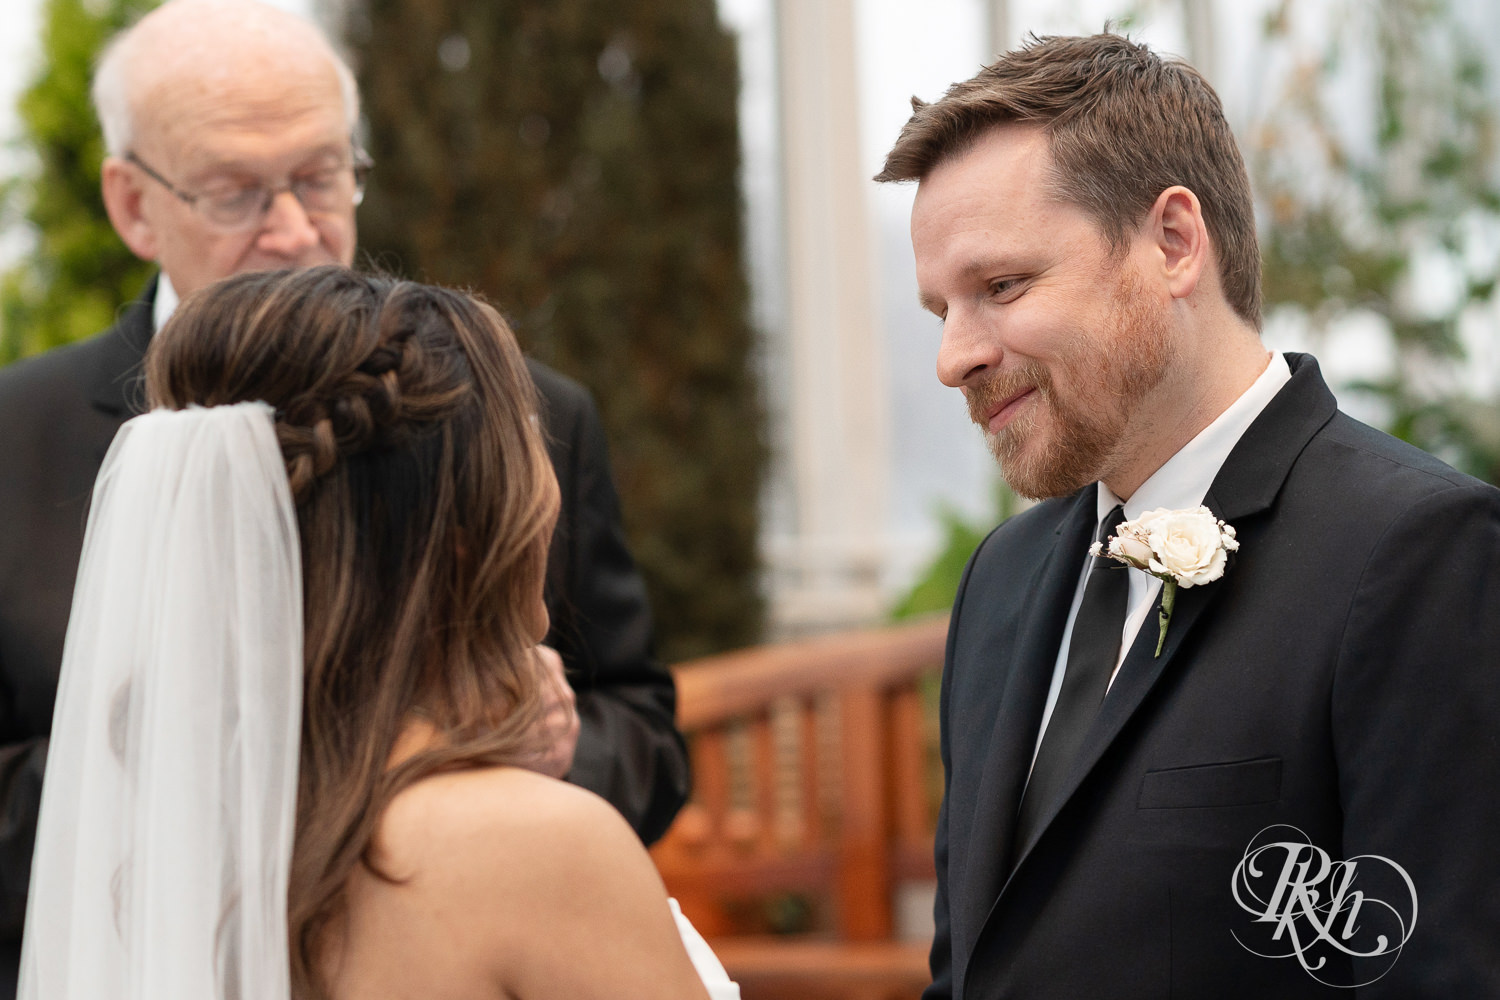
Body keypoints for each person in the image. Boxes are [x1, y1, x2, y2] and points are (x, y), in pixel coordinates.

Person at [0, 1, 687, 984]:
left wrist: (547, 753)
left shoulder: (527, 411)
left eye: (321, 175)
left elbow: (644, 724)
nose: (293, 229)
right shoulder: (14, 438)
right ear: (132, 202)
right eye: (237, 191)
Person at [876, 33, 1500, 999]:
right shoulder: (1000, 579)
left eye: (1001, 287)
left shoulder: (1419, 556)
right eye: (939, 310)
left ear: (1173, 242)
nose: (954, 357)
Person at [18, 265, 735, 1000]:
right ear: (461, 534)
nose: (548, 486)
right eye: (527, 436)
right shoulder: (544, 851)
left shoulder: (160, 847)